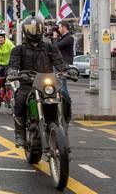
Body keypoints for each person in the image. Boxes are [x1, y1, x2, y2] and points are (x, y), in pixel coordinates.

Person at [7, 16, 76, 147]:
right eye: (30, 28)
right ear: (25, 30)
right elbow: (13, 64)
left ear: (42, 29)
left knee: (65, 97)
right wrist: (12, 72)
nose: (34, 31)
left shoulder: (50, 47)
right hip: (28, 83)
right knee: (20, 100)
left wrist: (68, 69)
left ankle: (64, 122)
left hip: (47, 82)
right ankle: (20, 133)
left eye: (36, 28)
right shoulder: (18, 49)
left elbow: (59, 61)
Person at [54, 20, 75, 100]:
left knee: (62, 87)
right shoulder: (63, 37)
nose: (58, 29)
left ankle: (68, 102)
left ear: (64, 27)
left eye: (59, 27)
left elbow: (56, 46)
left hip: (64, 64)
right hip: (58, 63)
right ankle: (62, 103)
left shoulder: (69, 38)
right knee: (57, 86)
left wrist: (55, 38)